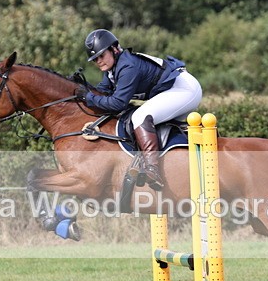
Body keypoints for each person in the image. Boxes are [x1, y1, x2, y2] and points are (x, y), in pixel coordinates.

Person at [75, 29, 202, 190]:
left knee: (140, 116)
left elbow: (117, 103)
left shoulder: (128, 66)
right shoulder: (112, 69)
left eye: (101, 55)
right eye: (95, 59)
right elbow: (103, 92)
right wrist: (81, 88)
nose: (99, 61)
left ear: (114, 49)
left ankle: (152, 169)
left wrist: (89, 97)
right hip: (172, 90)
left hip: (185, 89)